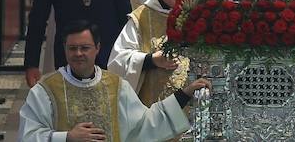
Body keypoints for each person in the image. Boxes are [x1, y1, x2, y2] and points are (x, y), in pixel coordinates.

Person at [20, 21, 206, 141]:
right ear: (64, 49)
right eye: (72, 48)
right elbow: (27, 136)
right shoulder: (46, 90)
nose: (78, 54)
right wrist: (67, 137)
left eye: (84, 48)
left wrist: (184, 94)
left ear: (97, 48)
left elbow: (144, 124)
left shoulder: (116, 86)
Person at [108, 0, 188, 104]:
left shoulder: (197, 12)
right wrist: (151, 60)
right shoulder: (141, 18)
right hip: (155, 109)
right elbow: (118, 61)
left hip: (193, 104)